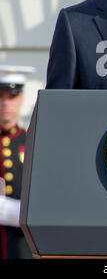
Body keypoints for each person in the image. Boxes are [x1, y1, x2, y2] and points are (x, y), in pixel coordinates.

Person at [0, 65, 35, 259]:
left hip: (23, 246)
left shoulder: (32, 142)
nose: (6, 103)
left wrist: (13, 211)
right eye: (1, 96)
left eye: (11, 97)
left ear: (21, 98)